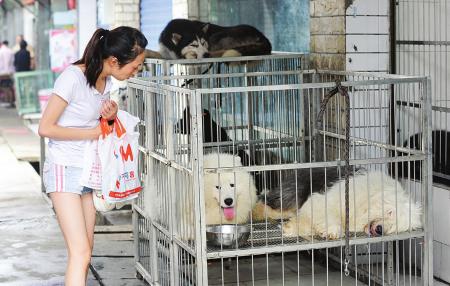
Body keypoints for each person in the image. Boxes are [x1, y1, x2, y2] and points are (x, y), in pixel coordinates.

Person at [38, 26, 147, 285]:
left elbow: (100, 127)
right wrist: (93, 132)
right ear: (113, 60)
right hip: (64, 170)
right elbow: (46, 128)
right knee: (81, 252)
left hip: (87, 170)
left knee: (85, 251)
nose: (136, 72)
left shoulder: (106, 82)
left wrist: (109, 117)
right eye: (135, 66)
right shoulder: (72, 78)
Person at [0, 40, 15, 107]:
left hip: (3, 72)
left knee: (5, 87)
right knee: (10, 87)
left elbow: (5, 62)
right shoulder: (10, 50)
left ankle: (8, 101)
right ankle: (11, 101)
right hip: (10, 72)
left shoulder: (1, 51)